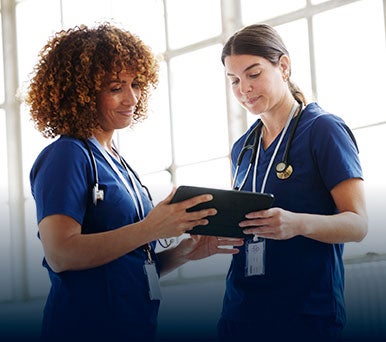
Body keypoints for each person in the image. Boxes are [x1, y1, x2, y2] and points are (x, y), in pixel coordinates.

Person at [24, 23, 243, 342]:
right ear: (83, 94)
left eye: (136, 84)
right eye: (115, 88)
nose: (132, 98)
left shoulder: (117, 161)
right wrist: (151, 228)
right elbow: (61, 254)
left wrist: (183, 252)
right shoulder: (66, 156)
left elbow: (130, 263)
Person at [217, 24, 368, 342]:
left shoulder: (323, 130)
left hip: (304, 315)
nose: (244, 88)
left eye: (253, 74)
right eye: (234, 81)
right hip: (241, 314)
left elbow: (357, 224)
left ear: (283, 66)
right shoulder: (242, 148)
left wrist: (297, 224)